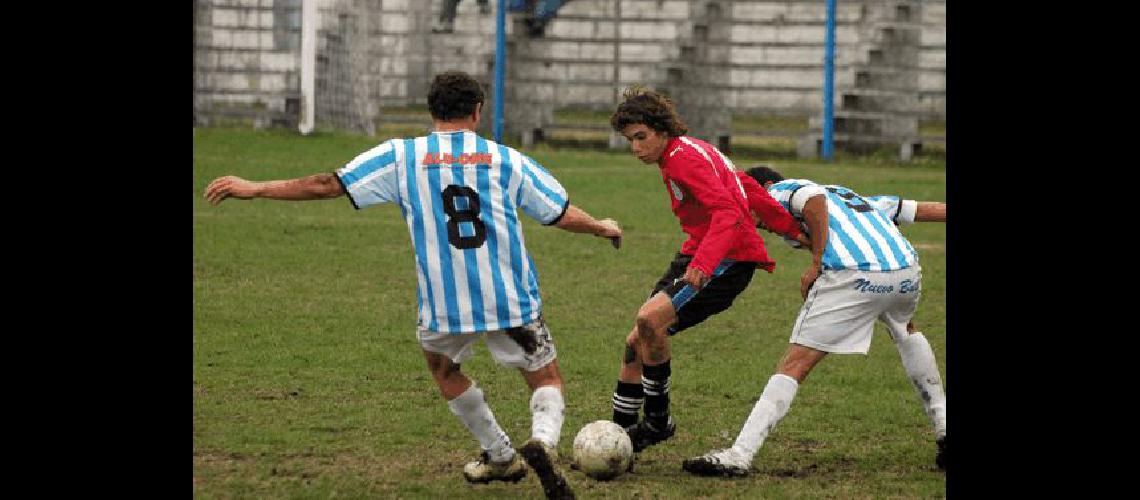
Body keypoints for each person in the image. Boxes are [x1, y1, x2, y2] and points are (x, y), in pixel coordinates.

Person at [204, 71, 623, 500]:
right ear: (477, 112)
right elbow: (558, 212)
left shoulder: (402, 156)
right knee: (544, 375)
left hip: (444, 304)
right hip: (510, 297)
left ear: (431, 112)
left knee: (444, 370)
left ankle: (499, 456)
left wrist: (255, 188)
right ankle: (544, 442)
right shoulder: (505, 159)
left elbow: (327, 185)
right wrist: (600, 227)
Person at [681, 165, 948, 477]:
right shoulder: (853, 197)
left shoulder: (778, 191)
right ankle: (944, 427)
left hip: (853, 273)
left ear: (763, 186)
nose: (749, 213)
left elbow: (812, 199)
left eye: (746, 201)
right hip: (905, 273)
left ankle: (739, 454)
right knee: (905, 330)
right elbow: (927, 209)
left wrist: (817, 262)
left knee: (796, 362)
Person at [605, 86, 807, 454]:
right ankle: (615, 435)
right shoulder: (693, 149)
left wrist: (703, 265)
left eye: (640, 137)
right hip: (701, 251)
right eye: (629, 140)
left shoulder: (684, 159)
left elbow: (729, 211)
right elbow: (744, 185)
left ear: (662, 130)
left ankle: (656, 422)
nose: (635, 147)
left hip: (725, 261)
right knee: (638, 338)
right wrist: (790, 229)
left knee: (650, 322)